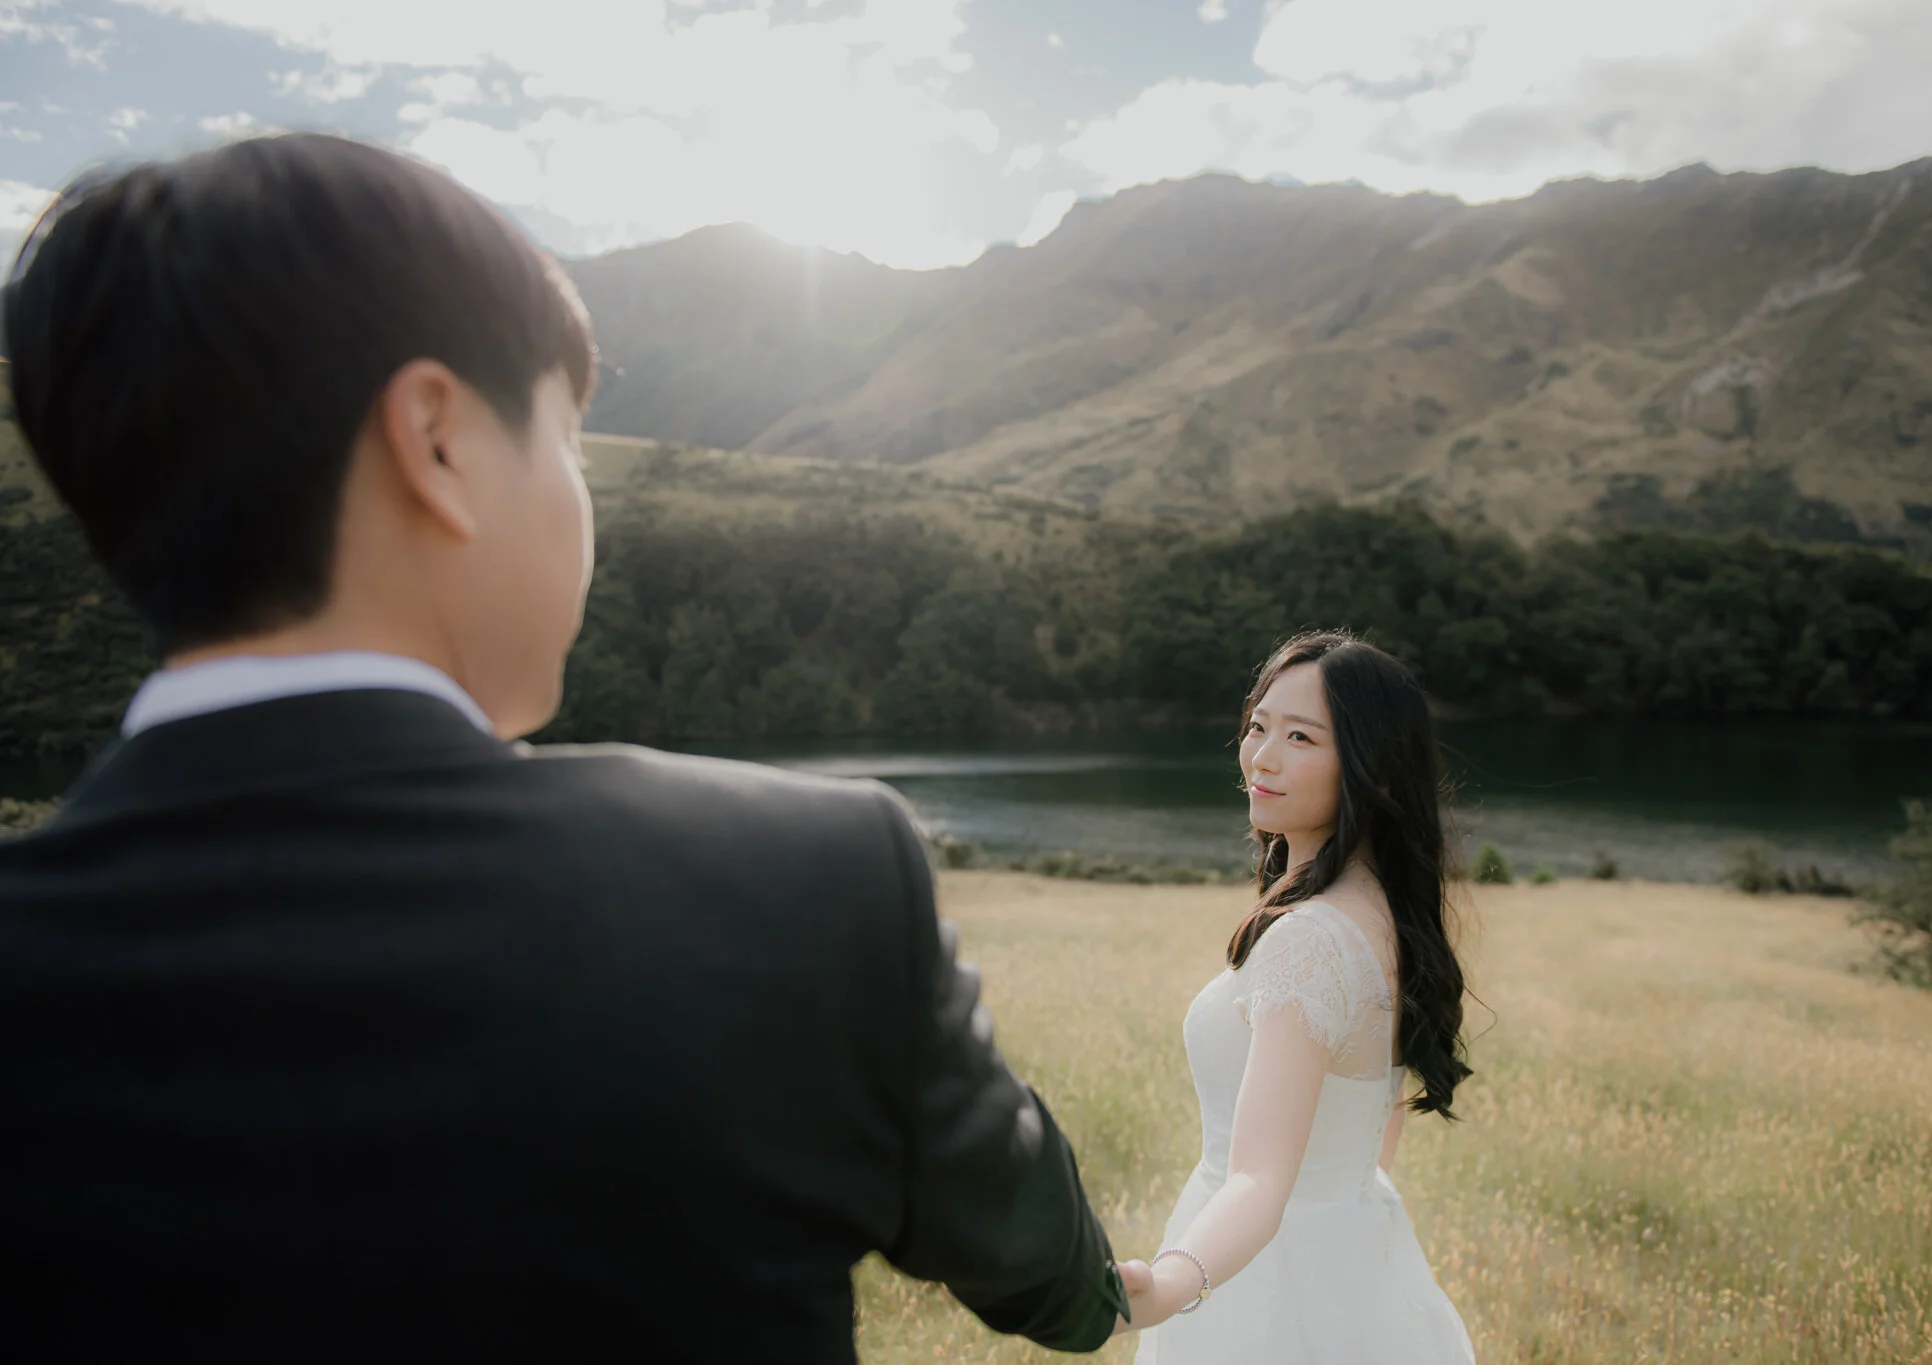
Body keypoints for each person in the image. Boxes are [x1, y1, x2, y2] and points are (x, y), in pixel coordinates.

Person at [0, 133, 1136, 1361]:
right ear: (437, 441)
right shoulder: (805, 881)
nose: (580, 501)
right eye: (568, 440)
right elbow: (1054, 1286)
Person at [1121, 630, 1477, 1362]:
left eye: (1302, 737)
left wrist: (1162, 1287)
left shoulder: (1309, 941)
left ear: (1370, 765)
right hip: (1354, 1254)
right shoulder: (1392, 917)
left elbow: (1257, 1176)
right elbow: (1375, 1118)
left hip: (1261, 1278)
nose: (1262, 756)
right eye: (1258, 726)